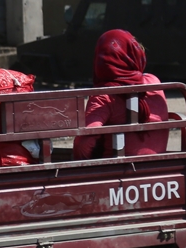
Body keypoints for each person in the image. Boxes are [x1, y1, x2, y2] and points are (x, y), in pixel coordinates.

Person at [73, 29, 170, 160]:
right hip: (158, 166)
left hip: (115, 171)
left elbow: (84, 144)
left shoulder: (104, 95)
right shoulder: (154, 81)